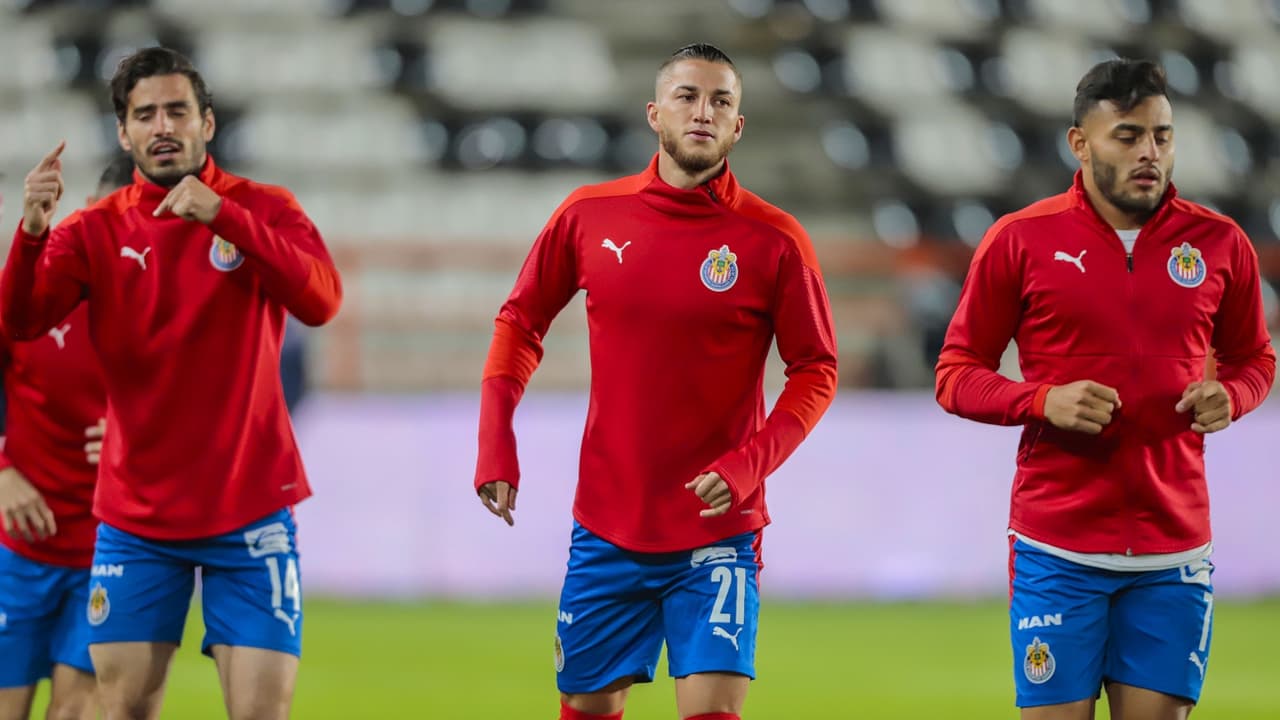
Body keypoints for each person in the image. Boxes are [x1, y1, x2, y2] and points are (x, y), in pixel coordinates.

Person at [474, 43, 838, 720]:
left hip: (719, 530)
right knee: (585, 708)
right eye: (687, 96)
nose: (703, 112)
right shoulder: (589, 214)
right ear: (654, 114)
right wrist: (495, 440)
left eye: (721, 101)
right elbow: (519, 322)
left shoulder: (775, 239)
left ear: (737, 126)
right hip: (608, 524)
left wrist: (750, 464)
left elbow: (816, 369)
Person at [1, 47, 342, 720]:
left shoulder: (264, 208)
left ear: (206, 123)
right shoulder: (95, 229)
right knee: (122, 710)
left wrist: (226, 218)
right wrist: (33, 234)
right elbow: (22, 321)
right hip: (138, 519)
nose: (163, 126)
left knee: (260, 714)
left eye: (177, 111)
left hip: (249, 508)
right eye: (145, 114)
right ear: (124, 132)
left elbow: (322, 301)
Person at [935, 58, 1275, 720]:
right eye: (1128, 135)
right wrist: (1041, 400)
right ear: (1080, 143)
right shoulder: (1020, 239)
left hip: (1173, 552)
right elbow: (956, 373)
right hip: (1057, 547)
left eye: (1162, 135)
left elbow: (1254, 359)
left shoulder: (1219, 242)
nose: (1150, 152)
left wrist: (1232, 396)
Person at [0, 154, 130, 720]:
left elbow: (216, 420)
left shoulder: (175, 314)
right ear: (90, 213)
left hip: (114, 549)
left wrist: (137, 441)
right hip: (18, 546)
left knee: (74, 711)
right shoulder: (34, 289)